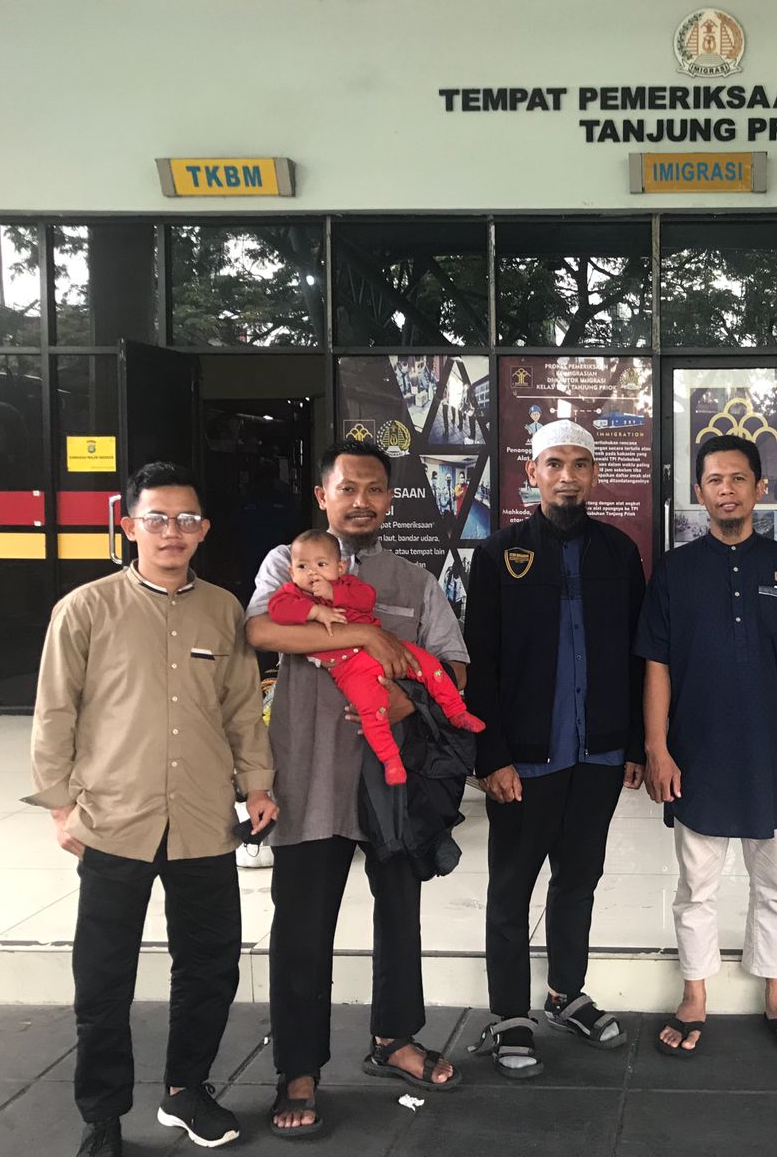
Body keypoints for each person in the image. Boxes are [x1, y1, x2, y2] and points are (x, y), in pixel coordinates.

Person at [28, 462, 277, 1157]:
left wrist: (258, 784)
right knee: (103, 978)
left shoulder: (223, 610)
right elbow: (54, 713)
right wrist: (58, 806)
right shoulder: (85, 609)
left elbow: (242, 709)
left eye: (186, 520)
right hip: (114, 819)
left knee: (211, 965)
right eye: (157, 519)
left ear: (203, 530)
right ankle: (103, 1116)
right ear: (130, 526)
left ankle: (186, 1090)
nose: (173, 532)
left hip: (203, 820)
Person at [245, 439, 471, 1138]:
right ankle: (299, 1068)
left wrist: (410, 700)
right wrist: (369, 639)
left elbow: (453, 667)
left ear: (390, 499)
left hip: (392, 784)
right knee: (301, 927)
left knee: (400, 912)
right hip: (308, 775)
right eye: (347, 488)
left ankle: (395, 1038)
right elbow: (262, 630)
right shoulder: (288, 563)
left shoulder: (413, 580)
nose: (362, 501)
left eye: (375, 489)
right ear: (323, 496)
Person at [636, 435, 777, 1056]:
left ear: (760, 488)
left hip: (774, 754)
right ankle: (694, 992)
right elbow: (656, 664)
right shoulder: (674, 571)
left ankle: (776, 989)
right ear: (699, 493)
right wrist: (657, 748)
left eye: (738, 479)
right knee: (695, 887)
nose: (726, 490)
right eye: (714, 480)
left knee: (775, 882)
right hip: (696, 754)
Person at [463, 419, 646, 1077]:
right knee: (512, 884)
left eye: (579, 464)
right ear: (531, 474)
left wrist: (634, 744)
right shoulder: (499, 554)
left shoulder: (618, 553)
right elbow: (480, 661)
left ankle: (567, 994)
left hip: (598, 754)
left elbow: (637, 654)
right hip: (525, 758)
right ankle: (509, 1014)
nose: (567, 476)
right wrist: (491, 756)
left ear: (595, 474)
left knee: (579, 878)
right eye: (554, 464)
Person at [266, 528, 483, 786]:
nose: (313, 572)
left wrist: (333, 594)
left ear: (340, 567)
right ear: (291, 572)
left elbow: (367, 599)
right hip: (350, 668)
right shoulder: (292, 593)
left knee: (430, 667)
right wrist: (314, 611)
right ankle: (391, 761)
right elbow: (277, 612)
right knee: (372, 711)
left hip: (391, 653)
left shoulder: (349, 585)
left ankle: (457, 711)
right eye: (303, 566)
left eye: (321, 564)